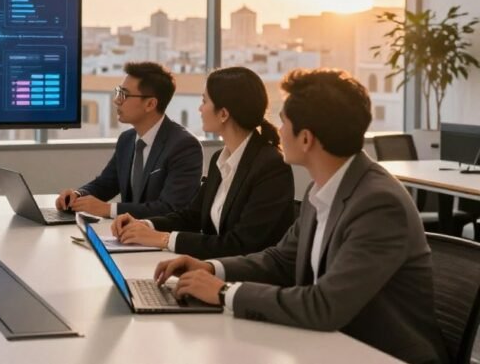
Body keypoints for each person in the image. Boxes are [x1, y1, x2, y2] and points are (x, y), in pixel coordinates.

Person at [154, 69, 447, 364]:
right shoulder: (320, 189)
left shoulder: (379, 204)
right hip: (329, 345)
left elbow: (325, 305)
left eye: (284, 123)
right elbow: (279, 260)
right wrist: (210, 268)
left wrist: (224, 293)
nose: (277, 131)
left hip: (379, 354)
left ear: (306, 138)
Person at [110, 67, 293, 258]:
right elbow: (191, 216)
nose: (200, 108)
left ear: (223, 114)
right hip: (214, 269)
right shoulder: (219, 159)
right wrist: (145, 225)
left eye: (204, 101)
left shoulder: (270, 166)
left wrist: (162, 239)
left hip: (248, 281)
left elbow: (242, 244)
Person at [57, 61, 202, 219]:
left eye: (124, 95)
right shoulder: (127, 139)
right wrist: (77, 196)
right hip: (128, 237)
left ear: (150, 104)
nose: (116, 100)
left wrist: (108, 209)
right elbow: (106, 184)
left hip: (160, 239)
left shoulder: (184, 146)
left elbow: (170, 208)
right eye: (118, 92)